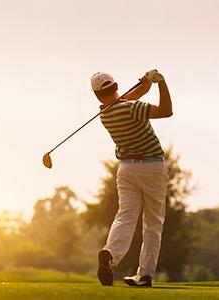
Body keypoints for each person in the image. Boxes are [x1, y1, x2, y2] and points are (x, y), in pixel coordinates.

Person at [90, 69, 173, 287]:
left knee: (125, 216)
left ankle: (110, 254)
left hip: (127, 169)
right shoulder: (133, 108)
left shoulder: (105, 114)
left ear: (97, 96)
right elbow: (166, 111)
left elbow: (130, 97)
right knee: (153, 223)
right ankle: (145, 274)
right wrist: (161, 83)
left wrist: (146, 83)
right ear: (116, 86)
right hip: (152, 166)